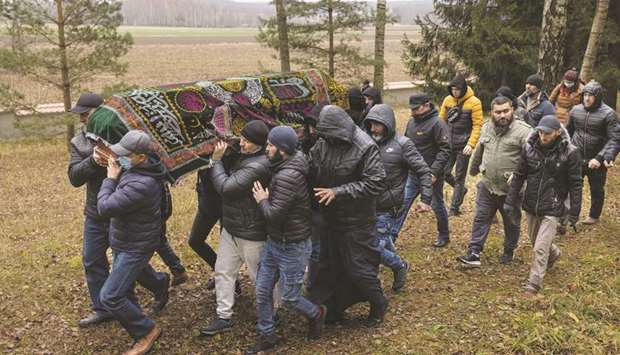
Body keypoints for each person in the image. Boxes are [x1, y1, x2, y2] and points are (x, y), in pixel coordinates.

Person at [307, 105, 388, 327]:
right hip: (330, 219)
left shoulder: (365, 147)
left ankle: (378, 303)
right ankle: (333, 309)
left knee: (358, 267)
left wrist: (338, 192)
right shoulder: (324, 143)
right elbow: (311, 166)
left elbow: (375, 182)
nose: (323, 137)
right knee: (330, 267)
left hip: (357, 222)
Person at [247, 126, 326, 353]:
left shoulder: (287, 176)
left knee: (290, 298)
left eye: (271, 145)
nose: (267, 148)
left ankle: (316, 313)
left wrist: (262, 199)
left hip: (292, 246)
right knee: (262, 291)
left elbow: (273, 214)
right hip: (275, 242)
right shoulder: (286, 164)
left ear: (283, 150)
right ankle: (267, 334)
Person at [97, 130, 171, 354]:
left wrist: (110, 178)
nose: (120, 158)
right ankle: (160, 283)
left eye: (125, 155)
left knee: (110, 296)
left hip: (136, 245)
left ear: (140, 157)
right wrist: (112, 165)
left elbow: (104, 207)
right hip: (126, 237)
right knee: (128, 280)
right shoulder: (141, 168)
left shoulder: (143, 183)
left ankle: (146, 331)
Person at [200, 120, 272, 336]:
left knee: (259, 276)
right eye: (241, 138)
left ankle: (272, 313)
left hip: (251, 231)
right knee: (223, 271)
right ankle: (224, 315)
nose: (241, 143)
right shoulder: (246, 156)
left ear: (258, 145)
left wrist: (216, 161)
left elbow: (227, 188)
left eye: (246, 141)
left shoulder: (258, 165)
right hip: (232, 227)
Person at [504, 115, 582, 295]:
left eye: (547, 133)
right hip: (532, 203)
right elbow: (519, 175)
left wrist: (574, 212)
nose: (543, 136)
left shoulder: (570, 152)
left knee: (540, 247)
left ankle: (534, 283)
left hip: (554, 206)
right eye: (540, 132)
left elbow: (576, 183)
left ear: (557, 132)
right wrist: (510, 200)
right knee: (536, 242)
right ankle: (554, 254)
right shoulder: (529, 148)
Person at [456, 96, 532, 267]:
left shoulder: (524, 132)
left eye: (506, 111)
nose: (502, 115)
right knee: (481, 217)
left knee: (511, 222)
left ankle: (508, 250)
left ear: (512, 110)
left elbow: (533, 158)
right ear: (492, 113)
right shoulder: (486, 128)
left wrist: (520, 175)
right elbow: (480, 151)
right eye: (498, 112)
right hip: (488, 185)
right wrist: (474, 169)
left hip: (511, 190)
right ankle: (474, 252)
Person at [363, 104, 432, 291]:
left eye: (377, 125)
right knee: (380, 242)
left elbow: (423, 171)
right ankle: (398, 262)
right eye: (371, 124)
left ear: (388, 124)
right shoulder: (366, 142)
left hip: (388, 207)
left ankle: (399, 265)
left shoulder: (403, 144)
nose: (373, 129)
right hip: (366, 205)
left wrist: (425, 199)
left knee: (373, 248)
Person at [68, 93, 113, 328]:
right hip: (95, 211)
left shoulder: (120, 134)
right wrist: (93, 161)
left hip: (121, 208)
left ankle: (158, 283)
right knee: (92, 259)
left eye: (86, 112)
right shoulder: (79, 142)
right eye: (81, 114)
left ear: (102, 110)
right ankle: (102, 308)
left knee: (130, 262)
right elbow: (74, 178)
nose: (83, 117)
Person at [392, 93, 451, 247]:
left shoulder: (438, 123)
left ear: (426, 105)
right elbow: (405, 145)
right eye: (411, 109)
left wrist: (434, 172)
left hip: (432, 175)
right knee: (402, 204)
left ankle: (444, 235)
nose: (412, 112)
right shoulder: (411, 123)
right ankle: (391, 237)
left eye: (416, 109)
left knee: (437, 205)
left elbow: (445, 150)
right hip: (413, 174)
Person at [566, 81, 620, 225]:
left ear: (598, 97)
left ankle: (594, 215)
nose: (587, 99)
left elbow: (615, 138)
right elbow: (567, 133)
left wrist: (602, 157)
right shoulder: (575, 110)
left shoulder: (609, 114)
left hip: (596, 159)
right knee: (571, 186)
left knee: (596, 189)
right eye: (585, 95)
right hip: (576, 157)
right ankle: (570, 217)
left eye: (591, 96)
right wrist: (567, 151)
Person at [439, 74, 483, 216]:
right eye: (452, 89)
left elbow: (477, 126)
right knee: (444, 172)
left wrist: (471, 144)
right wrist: (440, 140)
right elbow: (441, 121)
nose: (455, 92)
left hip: (464, 146)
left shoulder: (474, 102)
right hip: (448, 144)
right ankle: (462, 190)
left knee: (459, 176)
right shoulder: (447, 100)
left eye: (457, 89)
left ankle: (454, 208)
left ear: (463, 89)